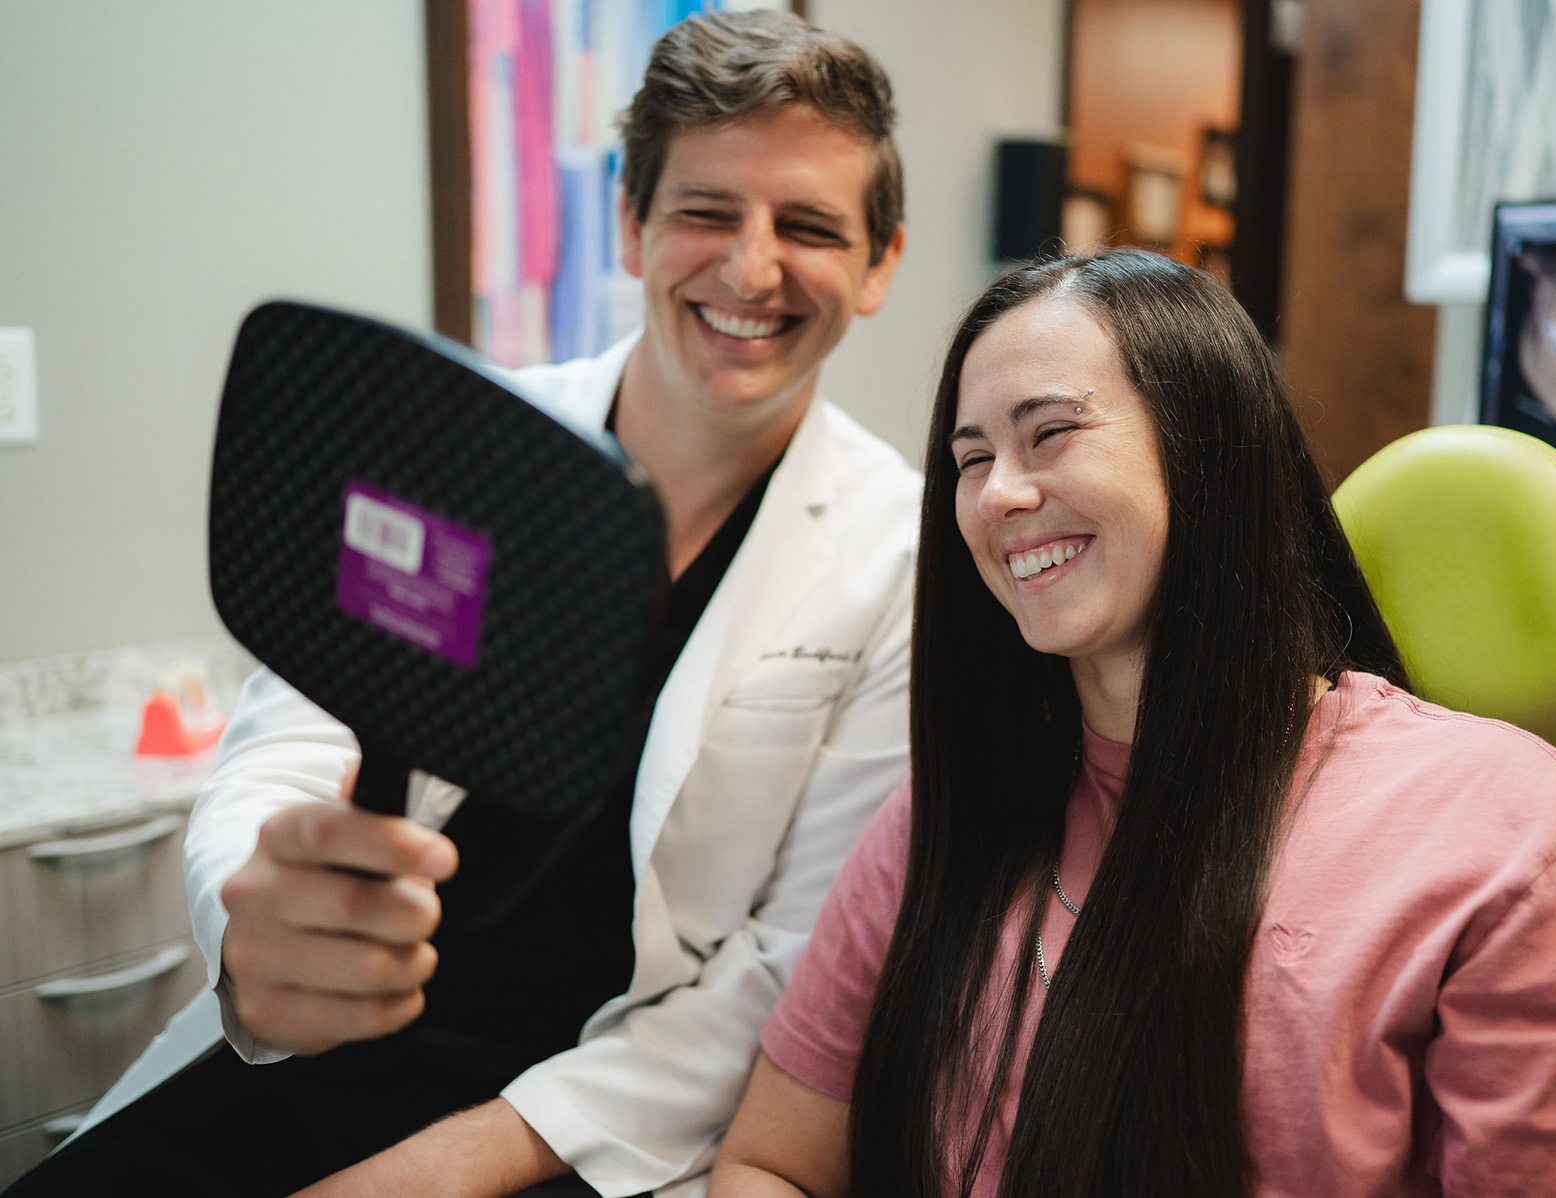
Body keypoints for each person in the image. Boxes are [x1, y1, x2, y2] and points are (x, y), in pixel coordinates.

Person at [8, 11, 915, 1198]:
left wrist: (427, 1175)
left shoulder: (899, 556)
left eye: (808, 226)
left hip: (589, 1111)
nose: (751, 268)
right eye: (706, 210)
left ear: (881, 262)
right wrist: (254, 920)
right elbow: (295, 726)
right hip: (334, 1032)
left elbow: (776, 976)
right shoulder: (468, 440)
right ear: (633, 222)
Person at [712, 250, 1556, 1197]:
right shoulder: (951, 808)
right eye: (972, 458)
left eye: (1049, 433)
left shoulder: (1511, 842)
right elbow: (774, 1162)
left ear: (1205, 444)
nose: (1000, 492)